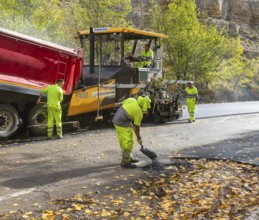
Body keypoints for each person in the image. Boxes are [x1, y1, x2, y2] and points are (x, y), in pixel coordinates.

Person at [112, 96, 151, 169]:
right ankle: (125, 162)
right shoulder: (139, 112)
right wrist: (139, 138)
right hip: (122, 122)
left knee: (124, 140)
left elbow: (120, 104)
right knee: (128, 141)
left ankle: (129, 158)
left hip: (118, 119)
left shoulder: (132, 99)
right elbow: (136, 127)